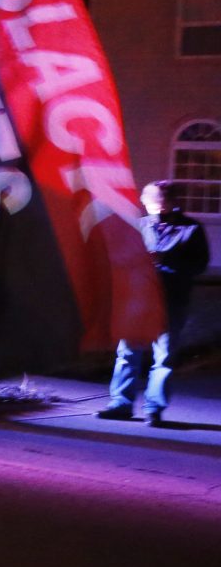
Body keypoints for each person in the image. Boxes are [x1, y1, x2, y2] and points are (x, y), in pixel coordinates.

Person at [100, 181, 211, 426]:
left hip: (171, 300)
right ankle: (120, 404)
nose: (149, 206)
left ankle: (154, 408)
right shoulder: (141, 226)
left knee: (163, 357)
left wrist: (164, 262)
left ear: (170, 202)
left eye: (155, 201)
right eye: (148, 201)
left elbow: (199, 264)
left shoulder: (191, 229)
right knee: (127, 353)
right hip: (138, 300)